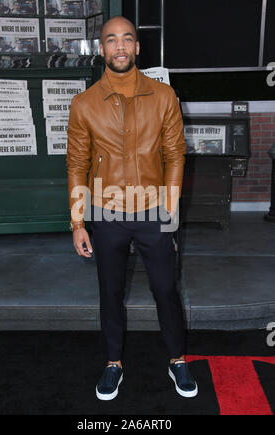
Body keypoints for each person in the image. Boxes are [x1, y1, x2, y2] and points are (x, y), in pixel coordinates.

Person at [66, 16, 198, 401]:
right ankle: (113, 364)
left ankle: (177, 359)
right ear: (101, 48)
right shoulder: (84, 104)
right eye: (111, 40)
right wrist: (78, 221)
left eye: (127, 39)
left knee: (165, 291)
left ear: (138, 47)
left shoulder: (163, 96)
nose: (120, 47)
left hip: (155, 211)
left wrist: (170, 207)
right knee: (110, 293)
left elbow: (175, 153)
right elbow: (76, 165)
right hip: (106, 214)